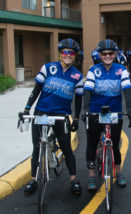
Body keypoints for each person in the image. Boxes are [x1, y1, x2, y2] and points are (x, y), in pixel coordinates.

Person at [21, 38, 84, 195]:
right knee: (36, 146)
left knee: (66, 148)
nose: (68, 55)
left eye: (72, 53)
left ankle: (73, 179)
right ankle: (34, 179)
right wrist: (27, 109)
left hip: (61, 115)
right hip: (41, 112)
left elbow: (79, 98)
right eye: (65, 52)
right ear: (60, 53)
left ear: (75, 55)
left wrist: (76, 118)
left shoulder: (77, 75)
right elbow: (36, 90)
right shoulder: (48, 68)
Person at [83, 39, 131, 190]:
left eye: (110, 53)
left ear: (115, 54)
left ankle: (119, 172)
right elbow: (87, 90)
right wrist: (86, 109)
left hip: (115, 111)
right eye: (104, 53)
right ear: (99, 55)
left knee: (114, 145)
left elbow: (127, 89)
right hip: (95, 111)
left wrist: (130, 108)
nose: (107, 56)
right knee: (92, 144)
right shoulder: (94, 70)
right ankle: (91, 176)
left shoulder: (121, 70)